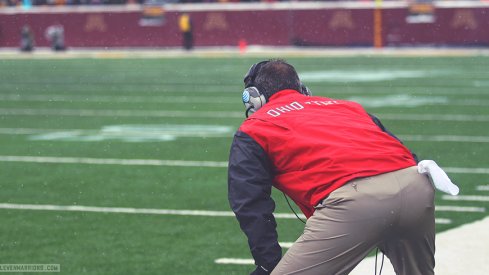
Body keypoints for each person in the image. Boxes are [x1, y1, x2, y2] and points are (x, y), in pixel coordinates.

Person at [227, 59, 435, 275]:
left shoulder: (255, 127)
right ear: (303, 89)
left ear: (253, 97)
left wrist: (267, 262)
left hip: (354, 200)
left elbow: (249, 199)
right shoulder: (347, 107)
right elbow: (398, 149)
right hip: (416, 185)